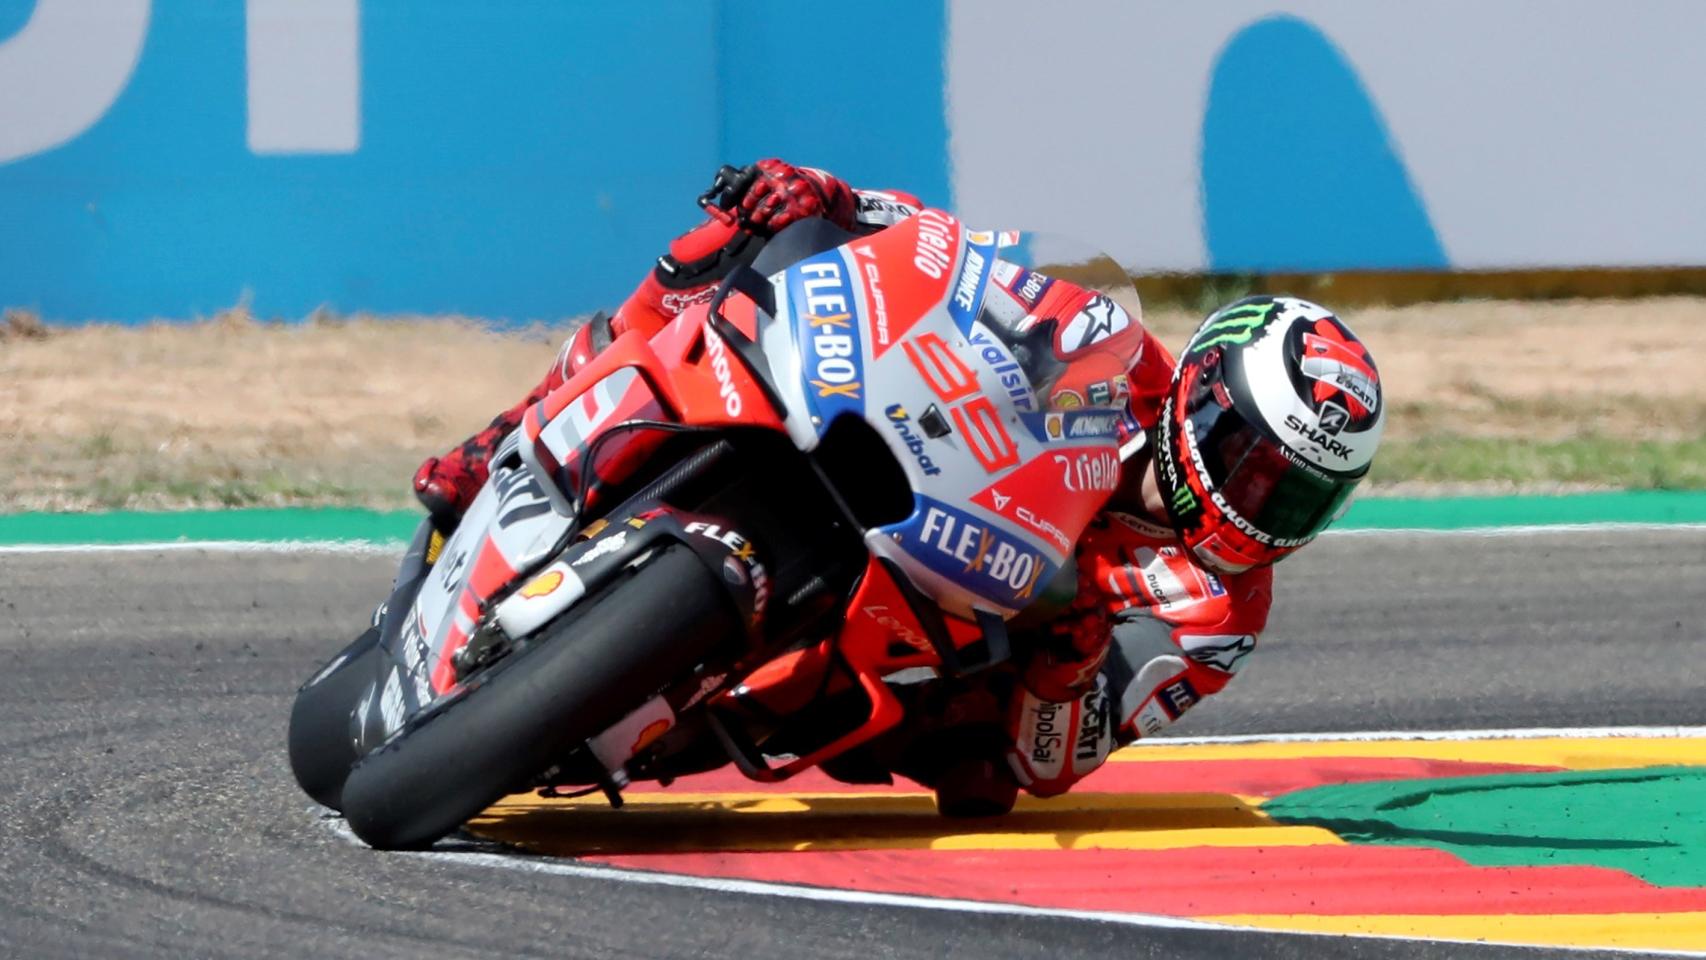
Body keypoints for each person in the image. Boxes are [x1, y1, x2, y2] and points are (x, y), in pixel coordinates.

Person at [413, 158, 1386, 813]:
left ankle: (690, 698)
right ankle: (508, 436)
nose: (1257, 502)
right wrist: (832, 200)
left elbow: (1051, 765)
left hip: (960, 656)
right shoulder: (1117, 358)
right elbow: (959, 266)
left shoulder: (1219, 614)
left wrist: (1069, 663)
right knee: (722, 255)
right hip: (924, 485)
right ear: (1201, 400)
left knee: (976, 787)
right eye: (1251, 463)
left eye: (1293, 494)